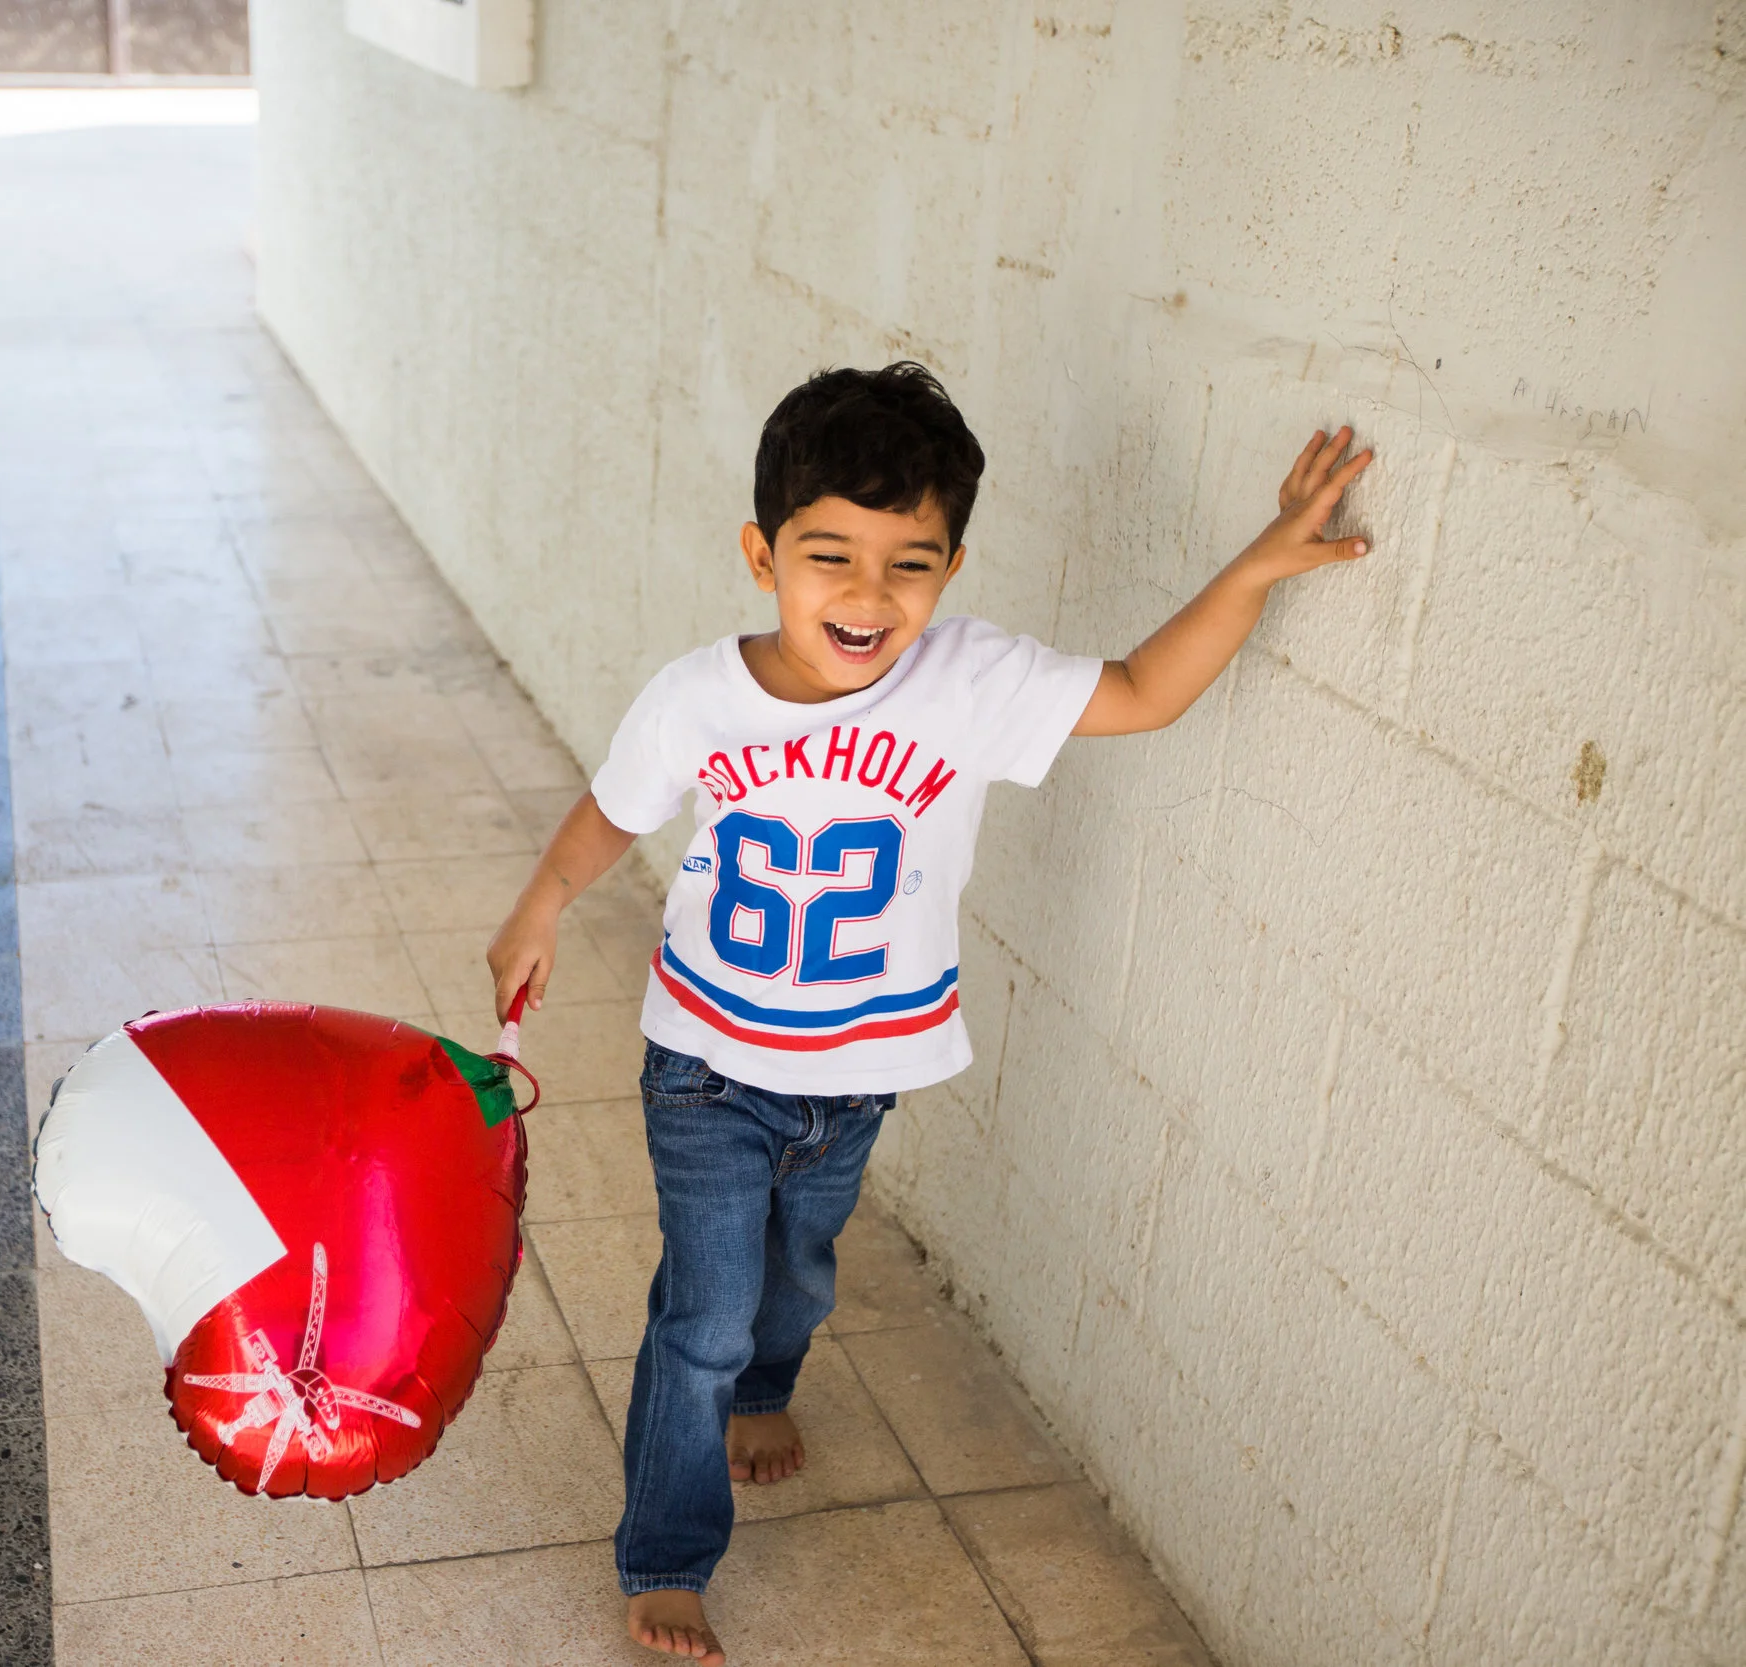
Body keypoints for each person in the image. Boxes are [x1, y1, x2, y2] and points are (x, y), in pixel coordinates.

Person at [484, 362, 1373, 1664]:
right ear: (761, 554)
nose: (866, 594)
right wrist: (541, 904)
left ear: (952, 569)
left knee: (798, 1271)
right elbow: (611, 814)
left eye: (910, 562)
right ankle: (668, 1551)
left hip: (862, 1069)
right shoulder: (695, 698)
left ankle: (767, 1392)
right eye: (828, 553)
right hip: (709, 1065)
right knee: (705, 1312)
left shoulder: (966, 682)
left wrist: (1250, 567)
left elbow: (1139, 691)